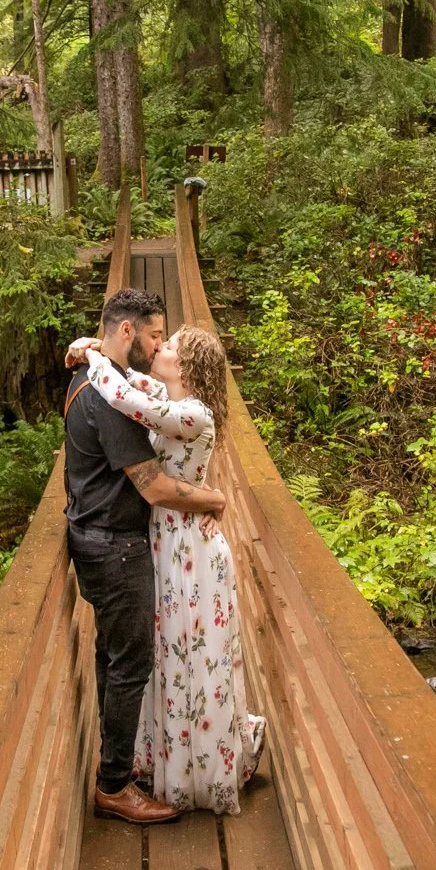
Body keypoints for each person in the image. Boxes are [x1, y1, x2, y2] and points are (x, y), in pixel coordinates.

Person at [68, 326, 265, 815]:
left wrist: (94, 362)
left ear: (189, 366)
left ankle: (199, 768)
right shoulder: (166, 394)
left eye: (171, 345)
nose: (161, 347)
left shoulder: (194, 414)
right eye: (162, 338)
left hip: (191, 551)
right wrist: (95, 347)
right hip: (163, 541)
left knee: (191, 652)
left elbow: (125, 399)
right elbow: (133, 381)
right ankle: (165, 760)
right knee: (168, 654)